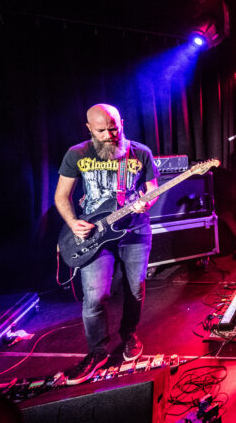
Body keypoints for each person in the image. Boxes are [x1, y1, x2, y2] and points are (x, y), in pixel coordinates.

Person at [54, 103, 159, 384]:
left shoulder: (140, 153)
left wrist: (146, 203)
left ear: (121, 122)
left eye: (114, 128)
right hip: (96, 235)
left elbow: (152, 191)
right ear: (89, 129)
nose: (109, 134)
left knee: (135, 289)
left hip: (135, 232)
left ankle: (129, 335)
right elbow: (61, 197)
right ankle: (97, 351)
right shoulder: (76, 154)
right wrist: (73, 222)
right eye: (101, 130)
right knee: (95, 296)